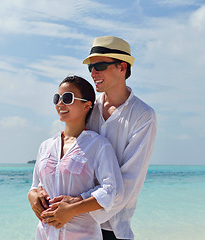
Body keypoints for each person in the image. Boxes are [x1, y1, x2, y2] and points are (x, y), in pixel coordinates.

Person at [29, 36, 157, 240]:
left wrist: (77, 205)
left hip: (112, 227)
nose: (93, 73)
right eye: (91, 67)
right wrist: (37, 193)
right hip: (67, 223)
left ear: (122, 67)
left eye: (100, 65)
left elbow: (129, 180)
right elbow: (65, 156)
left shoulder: (143, 115)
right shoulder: (89, 106)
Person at [29, 75, 124, 240]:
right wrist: (32, 197)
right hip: (45, 234)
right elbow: (35, 185)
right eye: (57, 98)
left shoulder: (99, 145)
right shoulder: (46, 146)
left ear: (87, 105)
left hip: (82, 234)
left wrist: (73, 209)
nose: (60, 103)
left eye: (67, 98)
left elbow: (111, 190)